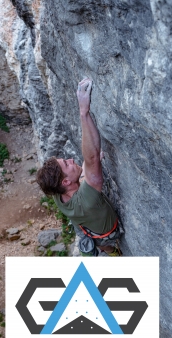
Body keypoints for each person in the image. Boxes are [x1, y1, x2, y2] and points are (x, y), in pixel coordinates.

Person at [36, 78, 121, 256]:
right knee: (107, 243)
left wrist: (86, 168)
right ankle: (111, 250)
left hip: (89, 229)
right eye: (66, 164)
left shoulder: (58, 195)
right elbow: (92, 157)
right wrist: (84, 112)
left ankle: (106, 249)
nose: (70, 159)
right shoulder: (86, 201)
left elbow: (86, 169)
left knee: (100, 243)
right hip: (108, 232)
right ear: (66, 181)